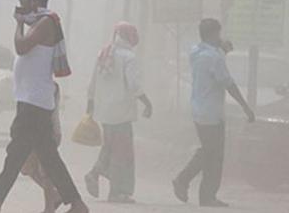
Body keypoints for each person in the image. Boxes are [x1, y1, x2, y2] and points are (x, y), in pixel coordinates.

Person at [0, 0, 88, 213]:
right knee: (45, 157)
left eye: (22, 1)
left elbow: (21, 47)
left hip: (35, 102)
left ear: (33, 1)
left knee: (17, 156)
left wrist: (18, 24)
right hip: (32, 100)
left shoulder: (46, 21)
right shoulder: (41, 22)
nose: (20, 6)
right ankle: (77, 203)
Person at [172, 18, 255, 208]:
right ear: (212, 34)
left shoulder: (196, 52)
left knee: (209, 151)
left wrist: (221, 49)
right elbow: (228, 83)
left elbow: (209, 62)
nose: (220, 36)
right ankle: (196, 188)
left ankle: (192, 186)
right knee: (214, 156)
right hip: (212, 113)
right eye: (218, 33)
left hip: (199, 110)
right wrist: (245, 106)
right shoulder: (213, 57)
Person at [84, 22, 153, 204]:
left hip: (105, 112)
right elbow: (134, 85)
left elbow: (92, 83)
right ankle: (118, 191)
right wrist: (147, 103)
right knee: (122, 154)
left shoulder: (104, 54)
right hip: (122, 113)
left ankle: (95, 173)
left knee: (109, 148)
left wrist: (89, 107)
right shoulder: (129, 56)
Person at [20, 84, 62, 213]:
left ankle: (49, 207)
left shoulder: (49, 86)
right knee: (27, 167)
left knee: (44, 170)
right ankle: (55, 196)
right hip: (36, 132)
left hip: (46, 132)